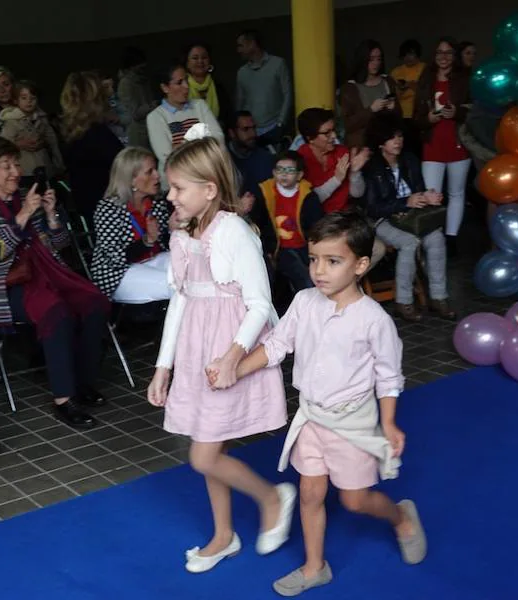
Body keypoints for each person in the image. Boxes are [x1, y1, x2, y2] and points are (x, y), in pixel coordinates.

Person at [216, 211, 427, 596]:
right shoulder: (304, 301)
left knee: (355, 500)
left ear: (360, 265)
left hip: (352, 424)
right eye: (314, 259)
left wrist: (391, 423)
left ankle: (401, 517)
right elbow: (278, 345)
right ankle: (315, 567)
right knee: (311, 493)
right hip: (312, 418)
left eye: (333, 261)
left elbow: (389, 376)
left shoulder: (374, 320)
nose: (319, 270)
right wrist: (237, 368)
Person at [147, 135, 295, 574]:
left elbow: (261, 304)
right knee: (207, 446)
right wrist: (163, 366)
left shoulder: (233, 231)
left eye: (177, 188)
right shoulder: (183, 231)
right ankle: (223, 535)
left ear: (209, 189)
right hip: (197, 350)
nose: (169, 196)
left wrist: (232, 356)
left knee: (204, 455)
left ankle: (272, 497)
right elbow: (181, 300)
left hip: (226, 352)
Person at [0, 137, 110, 429]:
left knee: (95, 301)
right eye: (5, 166)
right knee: (56, 311)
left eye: (16, 163)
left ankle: (82, 381)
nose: (14, 171)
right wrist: (24, 214)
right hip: (7, 284)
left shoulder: (25, 196)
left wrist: (50, 214)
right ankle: (64, 398)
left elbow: (59, 243)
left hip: (47, 273)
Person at [363, 114, 456, 322]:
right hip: (383, 220)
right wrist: (405, 202)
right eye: (391, 138)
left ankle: (438, 297)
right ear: (380, 142)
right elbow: (372, 208)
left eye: (399, 136)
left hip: (412, 217)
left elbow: (418, 191)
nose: (398, 142)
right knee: (409, 243)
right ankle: (403, 301)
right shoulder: (373, 167)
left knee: (436, 238)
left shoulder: (410, 160)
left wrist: (428, 197)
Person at [91, 147, 172, 303]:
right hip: (118, 272)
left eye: (155, 169)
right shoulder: (108, 209)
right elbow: (114, 259)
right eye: (150, 172)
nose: (157, 176)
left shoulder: (156, 202)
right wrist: (147, 241)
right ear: (131, 179)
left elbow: (164, 243)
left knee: (192, 272)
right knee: (174, 285)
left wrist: (173, 231)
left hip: (154, 260)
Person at [415, 37, 472, 240]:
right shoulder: (426, 78)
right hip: (432, 144)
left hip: (458, 144)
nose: (444, 57)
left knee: (456, 193)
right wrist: (428, 119)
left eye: (448, 53)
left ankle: (451, 237)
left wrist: (457, 112)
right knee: (432, 194)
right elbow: (416, 118)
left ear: (454, 56)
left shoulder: (464, 79)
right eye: (440, 52)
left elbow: (475, 112)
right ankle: (434, 237)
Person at [252, 151, 325, 292]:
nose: (284, 174)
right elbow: (259, 223)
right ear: (273, 172)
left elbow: (317, 225)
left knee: (318, 271)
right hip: (279, 249)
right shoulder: (264, 193)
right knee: (304, 277)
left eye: (290, 170)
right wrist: (267, 249)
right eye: (280, 170)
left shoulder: (308, 195)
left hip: (306, 246)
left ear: (299, 175)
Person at [61, 71, 125, 225]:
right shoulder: (97, 134)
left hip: (89, 208)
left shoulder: (70, 132)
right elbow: (125, 164)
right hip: (109, 211)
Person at [147, 63, 224, 189]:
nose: (186, 86)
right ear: (165, 88)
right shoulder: (155, 117)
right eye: (179, 82)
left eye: (187, 80)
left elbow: (218, 139)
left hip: (208, 177)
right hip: (177, 185)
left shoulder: (200, 105)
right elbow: (167, 156)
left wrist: (180, 145)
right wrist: (202, 142)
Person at [295, 108, 369, 214]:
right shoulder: (299, 160)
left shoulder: (342, 152)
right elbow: (309, 203)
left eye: (334, 130)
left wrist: (355, 173)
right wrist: (336, 180)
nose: (334, 136)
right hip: (315, 217)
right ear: (310, 138)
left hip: (343, 215)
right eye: (327, 133)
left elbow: (357, 193)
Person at [340, 40, 402, 150]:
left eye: (379, 59)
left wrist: (394, 108)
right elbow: (348, 124)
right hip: (361, 146)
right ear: (362, 60)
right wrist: (371, 110)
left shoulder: (388, 81)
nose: (376, 63)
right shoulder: (350, 88)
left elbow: (399, 116)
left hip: (386, 148)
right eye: (371, 59)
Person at [0, 80, 65, 182]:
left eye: (33, 98)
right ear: (16, 100)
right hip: (24, 171)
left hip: (45, 169)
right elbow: (3, 145)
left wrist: (58, 163)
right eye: (24, 98)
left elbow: (52, 141)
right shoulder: (11, 121)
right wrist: (18, 145)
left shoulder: (42, 118)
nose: (29, 101)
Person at [235, 29, 293, 148]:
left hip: (274, 127)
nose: (238, 50)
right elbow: (240, 102)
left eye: (241, 45)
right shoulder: (242, 72)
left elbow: (288, 94)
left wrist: (280, 124)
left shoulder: (278, 64)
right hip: (252, 131)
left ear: (252, 44)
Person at [389, 40, 426, 156]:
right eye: (405, 54)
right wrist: (401, 88)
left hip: (419, 114)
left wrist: (411, 85)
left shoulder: (424, 69)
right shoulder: (396, 72)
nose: (408, 58)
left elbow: (426, 90)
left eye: (411, 54)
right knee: (404, 149)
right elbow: (391, 94)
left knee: (419, 148)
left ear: (417, 54)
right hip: (401, 115)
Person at [226, 110, 275, 196]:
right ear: (232, 133)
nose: (252, 134)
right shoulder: (221, 159)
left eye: (254, 128)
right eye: (245, 129)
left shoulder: (266, 159)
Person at [117, 47, 157, 149]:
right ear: (131, 66)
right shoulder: (126, 84)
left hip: (149, 129)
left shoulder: (144, 80)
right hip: (137, 134)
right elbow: (133, 113)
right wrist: (152, 106)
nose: (143, 67)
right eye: (139, 65)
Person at [184, 42, 229, 121]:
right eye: (195, 58)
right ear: (187, 63)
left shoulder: (218, 85)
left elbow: (228, 116)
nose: (200, 61)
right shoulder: (182, 86)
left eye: (204, 57)